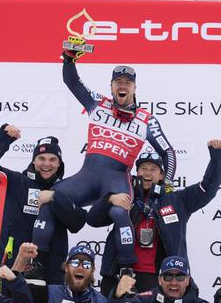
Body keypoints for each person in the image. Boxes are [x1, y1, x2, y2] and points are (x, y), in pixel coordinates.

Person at [30, 51, 178, 281]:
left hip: (116, 179)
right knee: (49, 198)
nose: (123, 86)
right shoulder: (97, 103)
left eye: (128, 83)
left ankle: (128, 269)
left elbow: (167, 152)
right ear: (111, 87)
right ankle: (36, 262)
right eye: (119, 82)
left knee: (120, 212)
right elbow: (72, 82)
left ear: (134, 88)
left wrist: (166, 184)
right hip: (86, 178)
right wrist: (68, 59)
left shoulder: (146, 119)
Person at [88, 140, 221, 295]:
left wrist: (217, 157)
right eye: (143, 168)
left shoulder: (177, 200)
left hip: (161, 278)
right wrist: (109, 199)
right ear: (137, 172)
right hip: (120, 275)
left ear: (161, 175)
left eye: (153, 169)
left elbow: (208, 189)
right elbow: (93, 220)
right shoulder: (124, 196)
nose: (147, 173)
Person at [0, 123, 87, 293]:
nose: (46, 164)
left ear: (59, 163)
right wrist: (3, 138)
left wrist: (54, 197)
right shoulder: (16, 182)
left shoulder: (65, 189)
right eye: (41, 158)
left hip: (51, 272)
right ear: (33, 161)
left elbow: (78, 222)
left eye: (52, 159)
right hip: (14, 267)